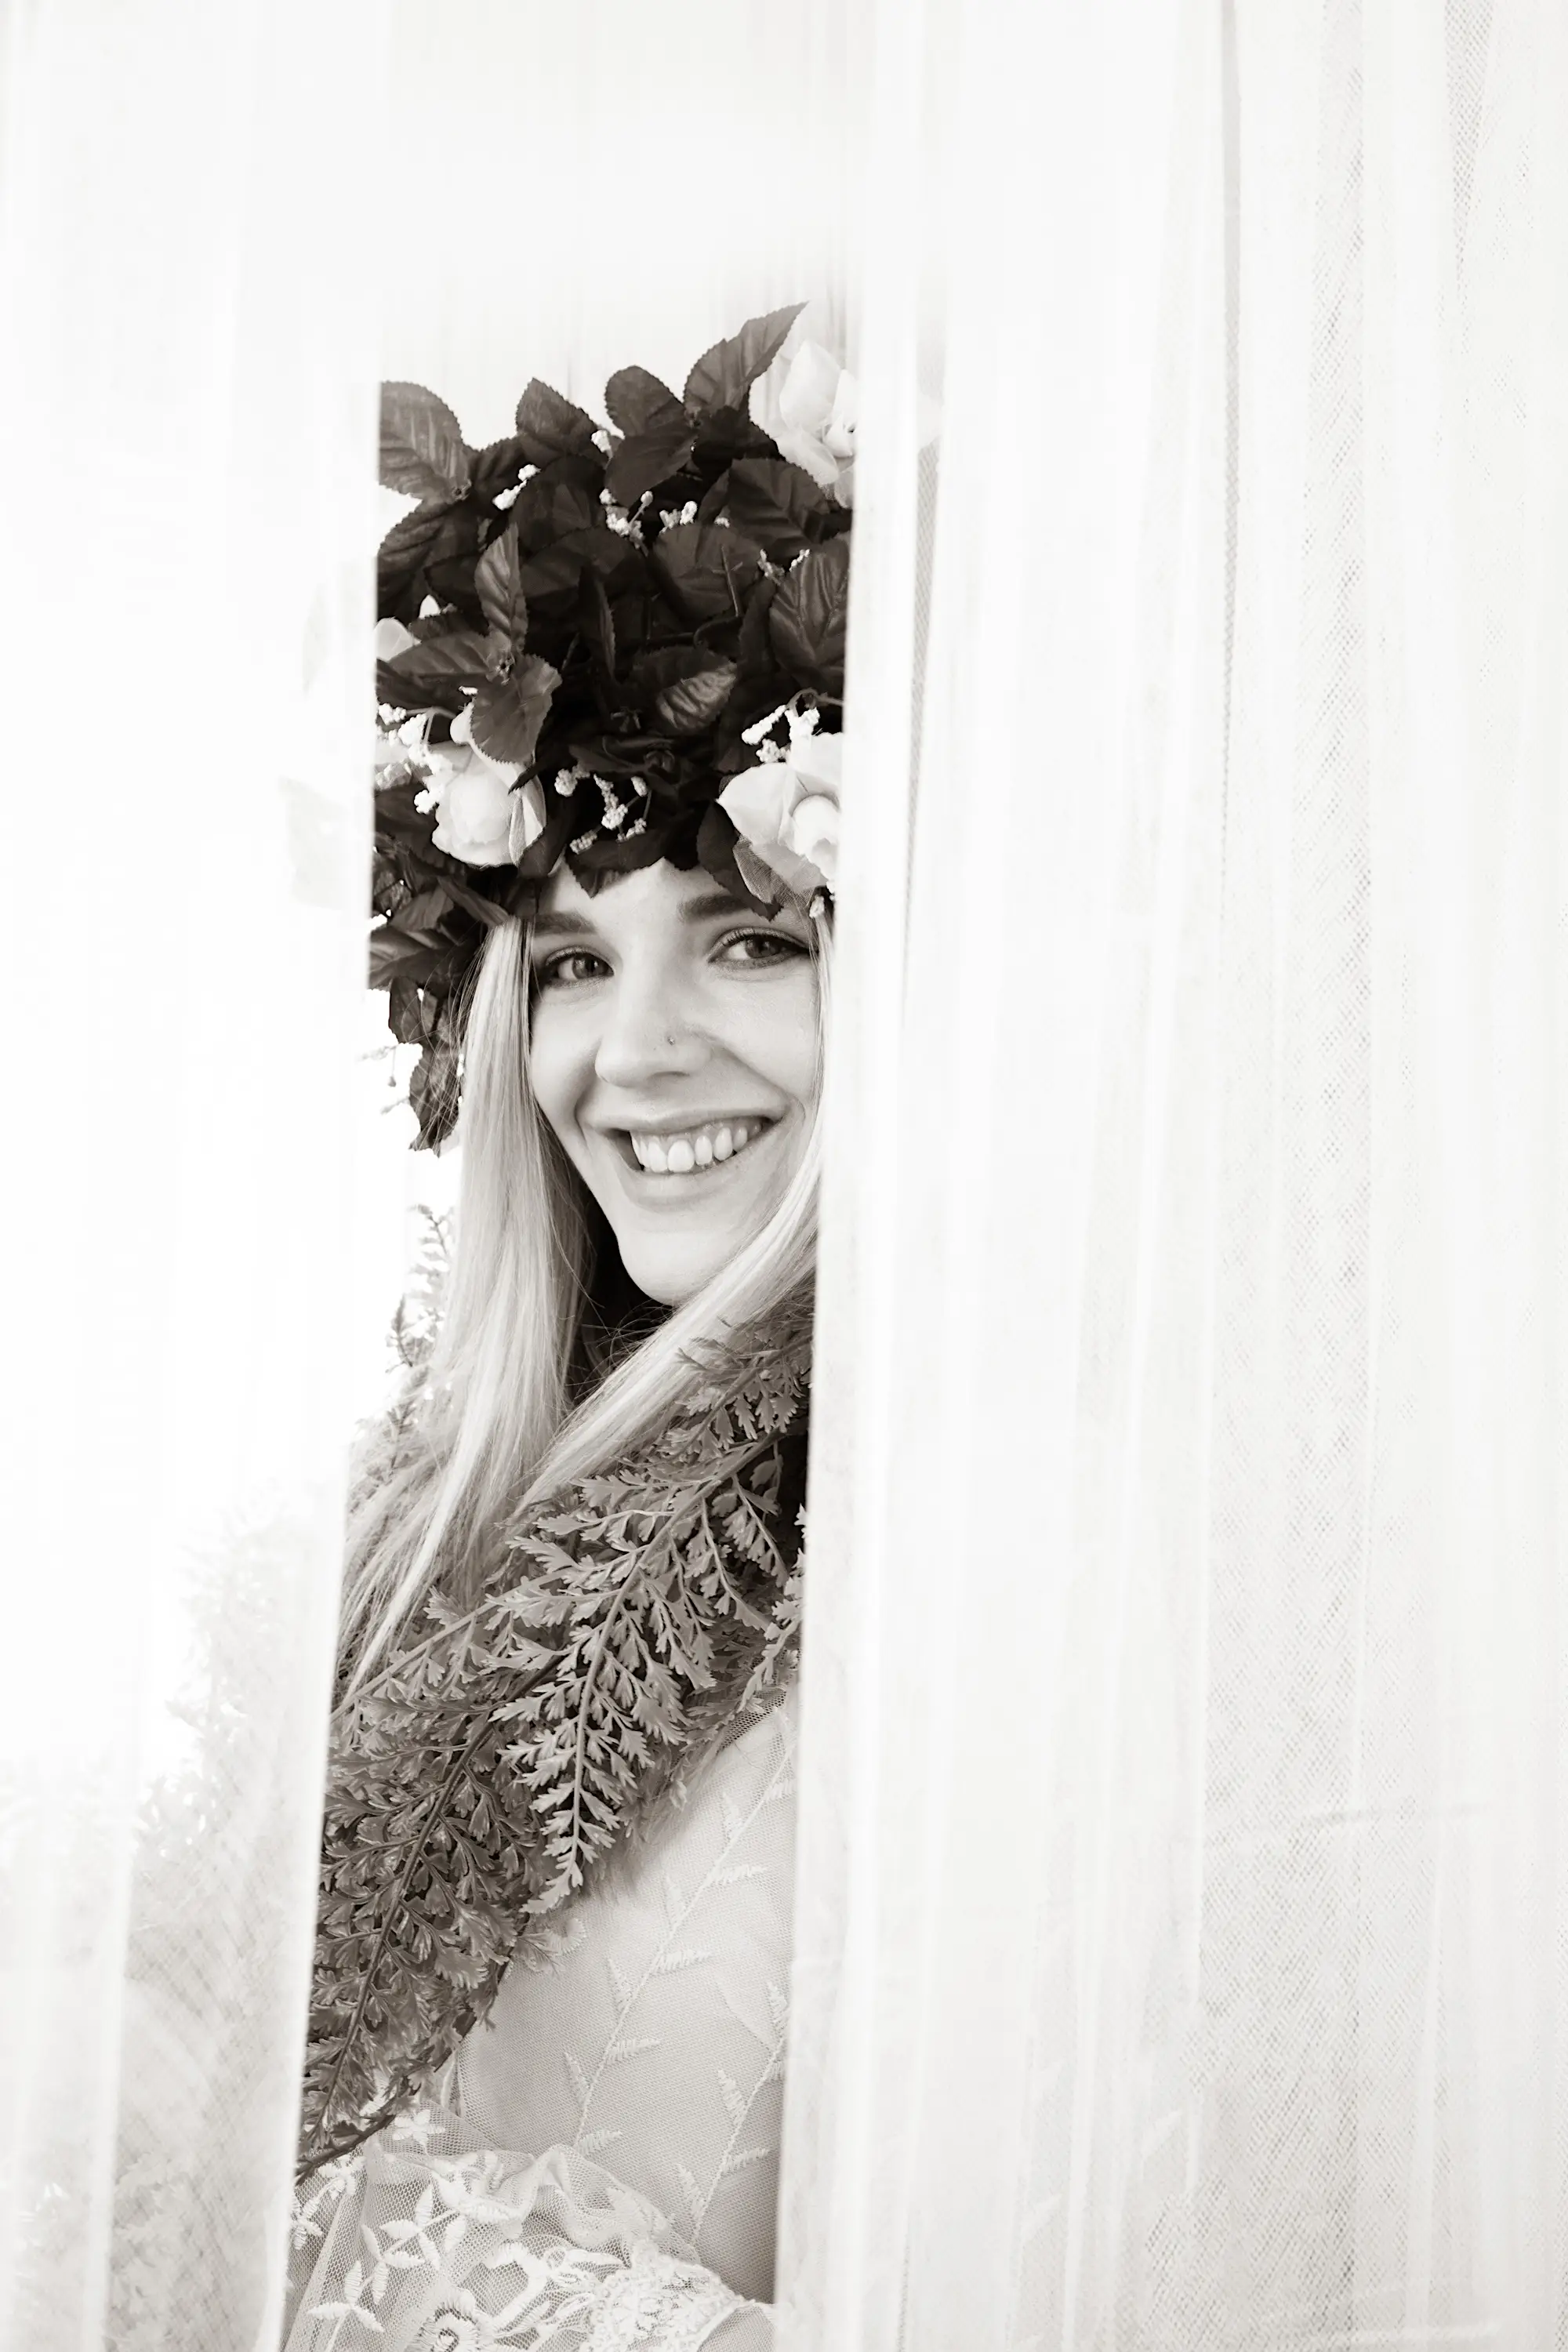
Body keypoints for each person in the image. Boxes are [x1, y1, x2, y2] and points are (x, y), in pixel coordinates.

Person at [285, 309, 854, 2350]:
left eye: (754, 936)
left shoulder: (959, 1565)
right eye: (570, 961)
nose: (639, 1051)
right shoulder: (425, 1526)